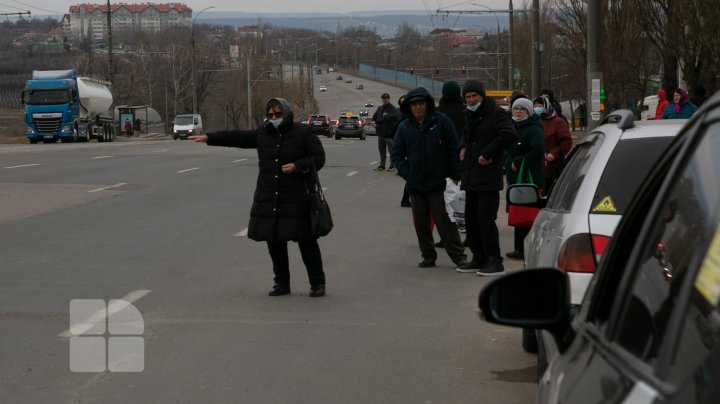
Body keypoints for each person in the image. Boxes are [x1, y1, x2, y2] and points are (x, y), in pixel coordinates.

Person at [189, 98, 327, 297]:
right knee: (274, 242)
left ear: (287, 114)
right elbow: (237, 138)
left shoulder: (303, 133)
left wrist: (297, 166)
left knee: (306, 242)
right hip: (270, 198)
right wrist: (209, 137)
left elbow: (319, 158)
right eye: (270, 115)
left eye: (277, 114)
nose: (273, 118)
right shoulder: (264, 133)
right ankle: (281, 283)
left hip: (298, 198)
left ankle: (317, 283)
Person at [390, 87, 467, 269]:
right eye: (414, 104)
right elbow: (397, 155)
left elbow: (453, 149)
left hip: (439, 183)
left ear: (427, 104)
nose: (418, 107)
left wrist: (455, 174)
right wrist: (407, 173)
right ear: (409, 107)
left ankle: (458, 256)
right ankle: (428, 255)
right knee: (421, 223)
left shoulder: (441, 121)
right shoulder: (404, 127)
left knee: (445, 222)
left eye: (421, 104)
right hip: (416, 184)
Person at [456, 80, 516, 276]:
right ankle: (478, 257)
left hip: (488, 175)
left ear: (482, 96)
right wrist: (463, 146)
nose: (472, 100)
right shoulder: (469, 114)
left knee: (485, 218)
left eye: (475, 96)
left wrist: (488, 153)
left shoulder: (496, 113)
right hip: (471, 174)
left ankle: (494, 260)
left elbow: (508, 134)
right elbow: (466, 134)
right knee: (471, 219)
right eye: (468, 97)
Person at [504, 97, 545, 260]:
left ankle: (529, 248)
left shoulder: (534, 129)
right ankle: (518, 248)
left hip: (530, 176)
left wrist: (518, 162)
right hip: (515, 176)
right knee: (518, 211)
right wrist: (509, 162)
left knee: (529, 212)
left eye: (522, 109)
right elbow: (506, 149)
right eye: (516, 108)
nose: (518, 111)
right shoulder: (510, 126)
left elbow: (537, 151)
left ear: (528, 111)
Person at [534, 96, 572, 191]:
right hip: (535, 167)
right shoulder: (533, 121)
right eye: (535, 106)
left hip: (551, 168)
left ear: (546, 106)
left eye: (539, 106)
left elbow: (566, 142)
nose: (537, 108)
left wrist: (554, 153)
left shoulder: (558, 122)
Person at [371, 93, 400, 172]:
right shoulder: (380, 108)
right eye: (383, 98)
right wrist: (373, 121)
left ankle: (392, 166)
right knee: (382, 151)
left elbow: (386, 118)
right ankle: (382, 165)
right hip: (380, 134)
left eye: (385, 98)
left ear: (389, 99)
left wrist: (376, 121)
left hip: (388, 134)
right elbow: (374, 116)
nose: (384, 100)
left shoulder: (392, 109)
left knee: (391, 151)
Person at [397, 94, 411, 208]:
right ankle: (405, 200)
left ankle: (405, 199)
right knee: (411, 178)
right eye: (401, 101)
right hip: (407, 150)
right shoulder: (402, 116)